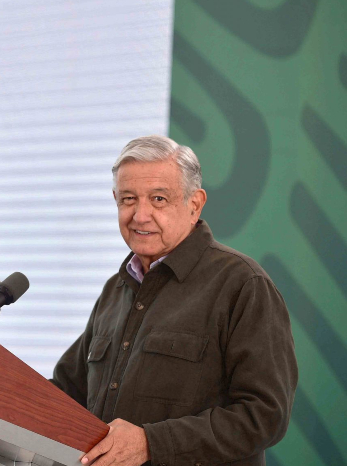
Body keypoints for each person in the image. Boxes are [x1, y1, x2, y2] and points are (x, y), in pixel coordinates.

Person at [51, 136, 298, 466]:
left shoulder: (243, 284)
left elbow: (265, 416)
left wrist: (151, 444)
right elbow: (66, 392)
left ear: (194, 204)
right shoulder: (116, 289)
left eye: (158, 199)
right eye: (128, 199)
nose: (140, 215)